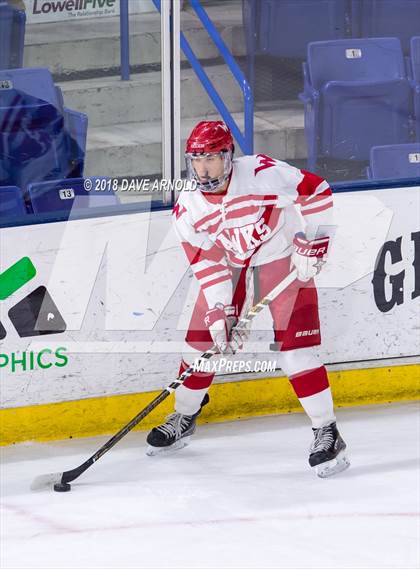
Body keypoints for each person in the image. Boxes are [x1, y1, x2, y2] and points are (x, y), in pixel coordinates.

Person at [146, 121, 350, 478]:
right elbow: (206, 263)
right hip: (233, 268)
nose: (203, 168)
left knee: (295, 352)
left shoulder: (262, 174)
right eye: (196, 160)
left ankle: (327, 430)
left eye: (210, 159)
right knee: (200, 345)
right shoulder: (188, 208)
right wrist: (221, 309)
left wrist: (315, 241)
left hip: (282, 261)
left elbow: (316, 190)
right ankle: (185, 414)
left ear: (228, 157)